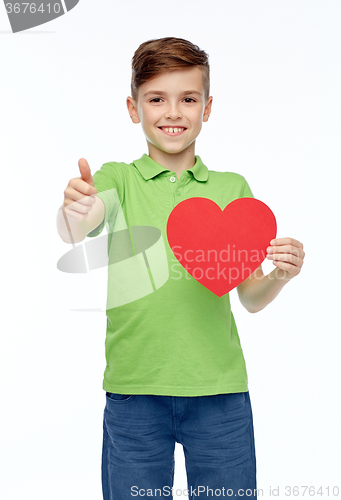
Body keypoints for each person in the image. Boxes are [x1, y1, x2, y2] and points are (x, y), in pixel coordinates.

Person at [56, 37, 305, 500]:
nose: (173, 112)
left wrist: (279, 276)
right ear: (134, 109)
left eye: (188, 99)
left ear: (207, 108)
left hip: (220, 394)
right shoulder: (118, 180)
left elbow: (248, 297)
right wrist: (75, 210)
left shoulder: (233, 189)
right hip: (134, 392)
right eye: (157, 99)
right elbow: (77, 226)